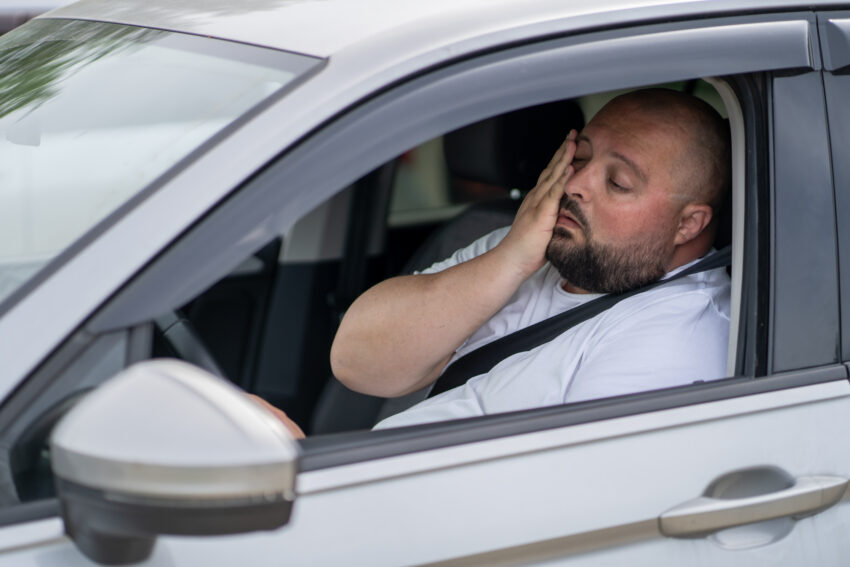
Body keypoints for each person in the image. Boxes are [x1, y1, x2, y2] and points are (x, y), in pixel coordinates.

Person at [254, 87, 731, 437]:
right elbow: (359, 364)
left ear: (688, 224)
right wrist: (510, 258)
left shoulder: (676, 337)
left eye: (619, 183)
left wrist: (319, 484)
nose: (574, 184)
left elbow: (559, 508)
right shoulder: (527, 248)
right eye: (578, 158)